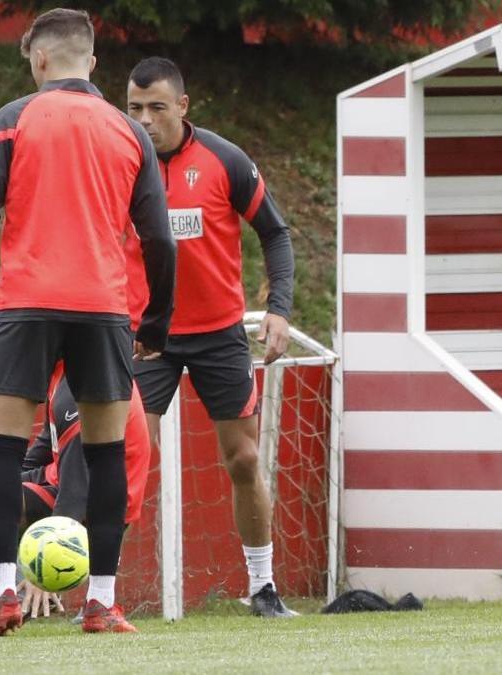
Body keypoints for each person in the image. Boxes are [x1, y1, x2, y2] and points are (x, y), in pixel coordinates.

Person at [0, 8, 176, 636]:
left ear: (38, 60)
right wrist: (156, 321)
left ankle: (2, 594)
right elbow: (159, 238)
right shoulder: (127, 129)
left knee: (2, 450)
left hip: (25, 301)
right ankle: (101, 604)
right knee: (108, 454)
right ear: (93, 61)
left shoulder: (13, 118)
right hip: (105, 307)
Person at [124, 56, 297, 618]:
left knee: (243, 459)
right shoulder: (118, 162)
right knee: (125, 459)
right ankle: (100, 594)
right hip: (146, 336)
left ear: (182, 106)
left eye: (155, 107)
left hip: (220, 335)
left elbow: (274, 232)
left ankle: (263, 587)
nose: (145, 119)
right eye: (134, 108)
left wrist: (278, 309)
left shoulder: (226, 160)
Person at [0, 364, 151, 631]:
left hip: (91, 504)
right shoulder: (64, 370)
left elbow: (77, 486)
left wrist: (43, 566)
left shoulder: (83, 378)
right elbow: (48, 444)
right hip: (61, 481)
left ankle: (22, 590)